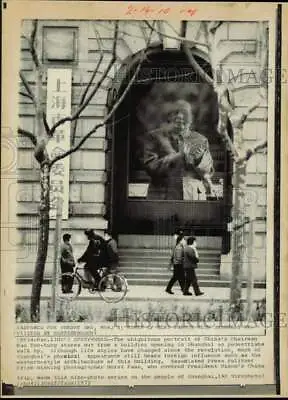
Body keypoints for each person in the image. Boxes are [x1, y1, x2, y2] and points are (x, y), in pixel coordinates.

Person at [142, 100, 216, 200]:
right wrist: (178, 156)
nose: (180, 116)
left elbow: (208, 171)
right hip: (162, 196)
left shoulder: (200, 140)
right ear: (169, 116)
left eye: (185, 113)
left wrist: (197, 161)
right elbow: (151, 167)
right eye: (176, 112)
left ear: (191, 118)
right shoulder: (154, 137)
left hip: (193, 197)